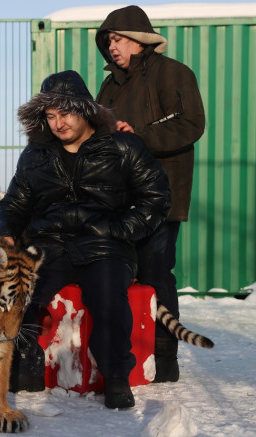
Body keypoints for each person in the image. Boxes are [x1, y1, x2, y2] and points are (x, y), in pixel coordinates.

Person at [0, 70, 171, 409]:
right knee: (20, 296)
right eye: (51, 115)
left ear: (86, 109)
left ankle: (117, 377)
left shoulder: (122, 146)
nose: (59, 123)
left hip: (105, 244)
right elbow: (13, 203)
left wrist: (118, 231)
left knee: (108, 299)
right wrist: (4, 231)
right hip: (49, 247)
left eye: (66, 112)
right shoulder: (35, 155)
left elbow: (157, 197)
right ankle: (25, 367)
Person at [95, 5, 206, 383]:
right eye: (108, 40)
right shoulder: (108, 86)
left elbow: (191, 123)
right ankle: (127, 357)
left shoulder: (173, 72)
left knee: (157, 274)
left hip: (161, 196)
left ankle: (165, 361)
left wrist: (138, 135)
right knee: (119, 276)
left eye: (119, 39)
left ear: (139, 40)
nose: (112, 46)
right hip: (117, 199)